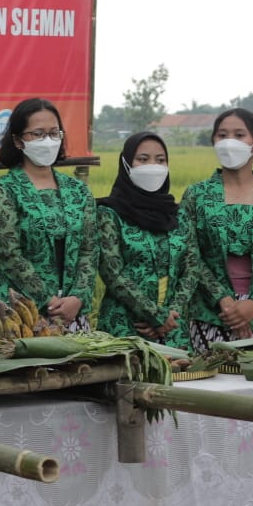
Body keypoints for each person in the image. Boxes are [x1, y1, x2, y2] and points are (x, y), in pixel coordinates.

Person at [180, 107, 253, 352]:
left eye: (239, 135)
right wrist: (224, 302)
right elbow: (189, 255)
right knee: (210, 385)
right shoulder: (197, 195)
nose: (229, 142)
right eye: (222, 135)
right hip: (211, 316)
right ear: (213, 140)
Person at [0, 97, 95, 330]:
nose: (48, 140)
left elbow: (89, 251)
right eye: (38, 134)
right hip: (22, 312)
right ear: (18, 140)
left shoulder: (78, 191)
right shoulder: (4, 191)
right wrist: (49, 301)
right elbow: (10, 255)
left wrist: (78, 297)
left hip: (72, 311)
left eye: (54, 133)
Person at [95, 132, 191, 348]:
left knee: (185, 379)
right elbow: (112, 273)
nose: (153, 166)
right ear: (126, 164)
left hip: (173, 330)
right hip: (126, 327)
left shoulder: (179, 215)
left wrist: (169, 316)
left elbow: (191, 268)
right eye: (143, 159)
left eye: (160, 160)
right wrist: (154, 315)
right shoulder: (109, 214)